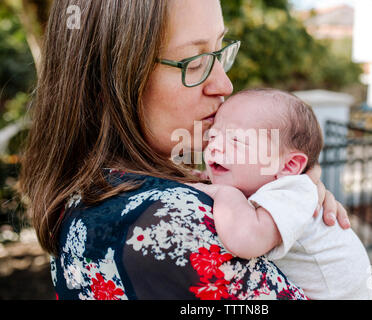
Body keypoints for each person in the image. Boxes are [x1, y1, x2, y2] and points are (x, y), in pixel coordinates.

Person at [18, 0, 350, 300]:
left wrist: (285, 192)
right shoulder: (177, 219)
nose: (224, 84)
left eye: (220, 53)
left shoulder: (83, 196)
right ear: (106, 82)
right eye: (194, 63)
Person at [188, 88, 372, 300]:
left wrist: (223, 192)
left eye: (236, 140)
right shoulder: (263, 184)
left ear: (289, 165)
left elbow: (245, 240)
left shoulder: (294, 192)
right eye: (212, 136)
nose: (214, 147)